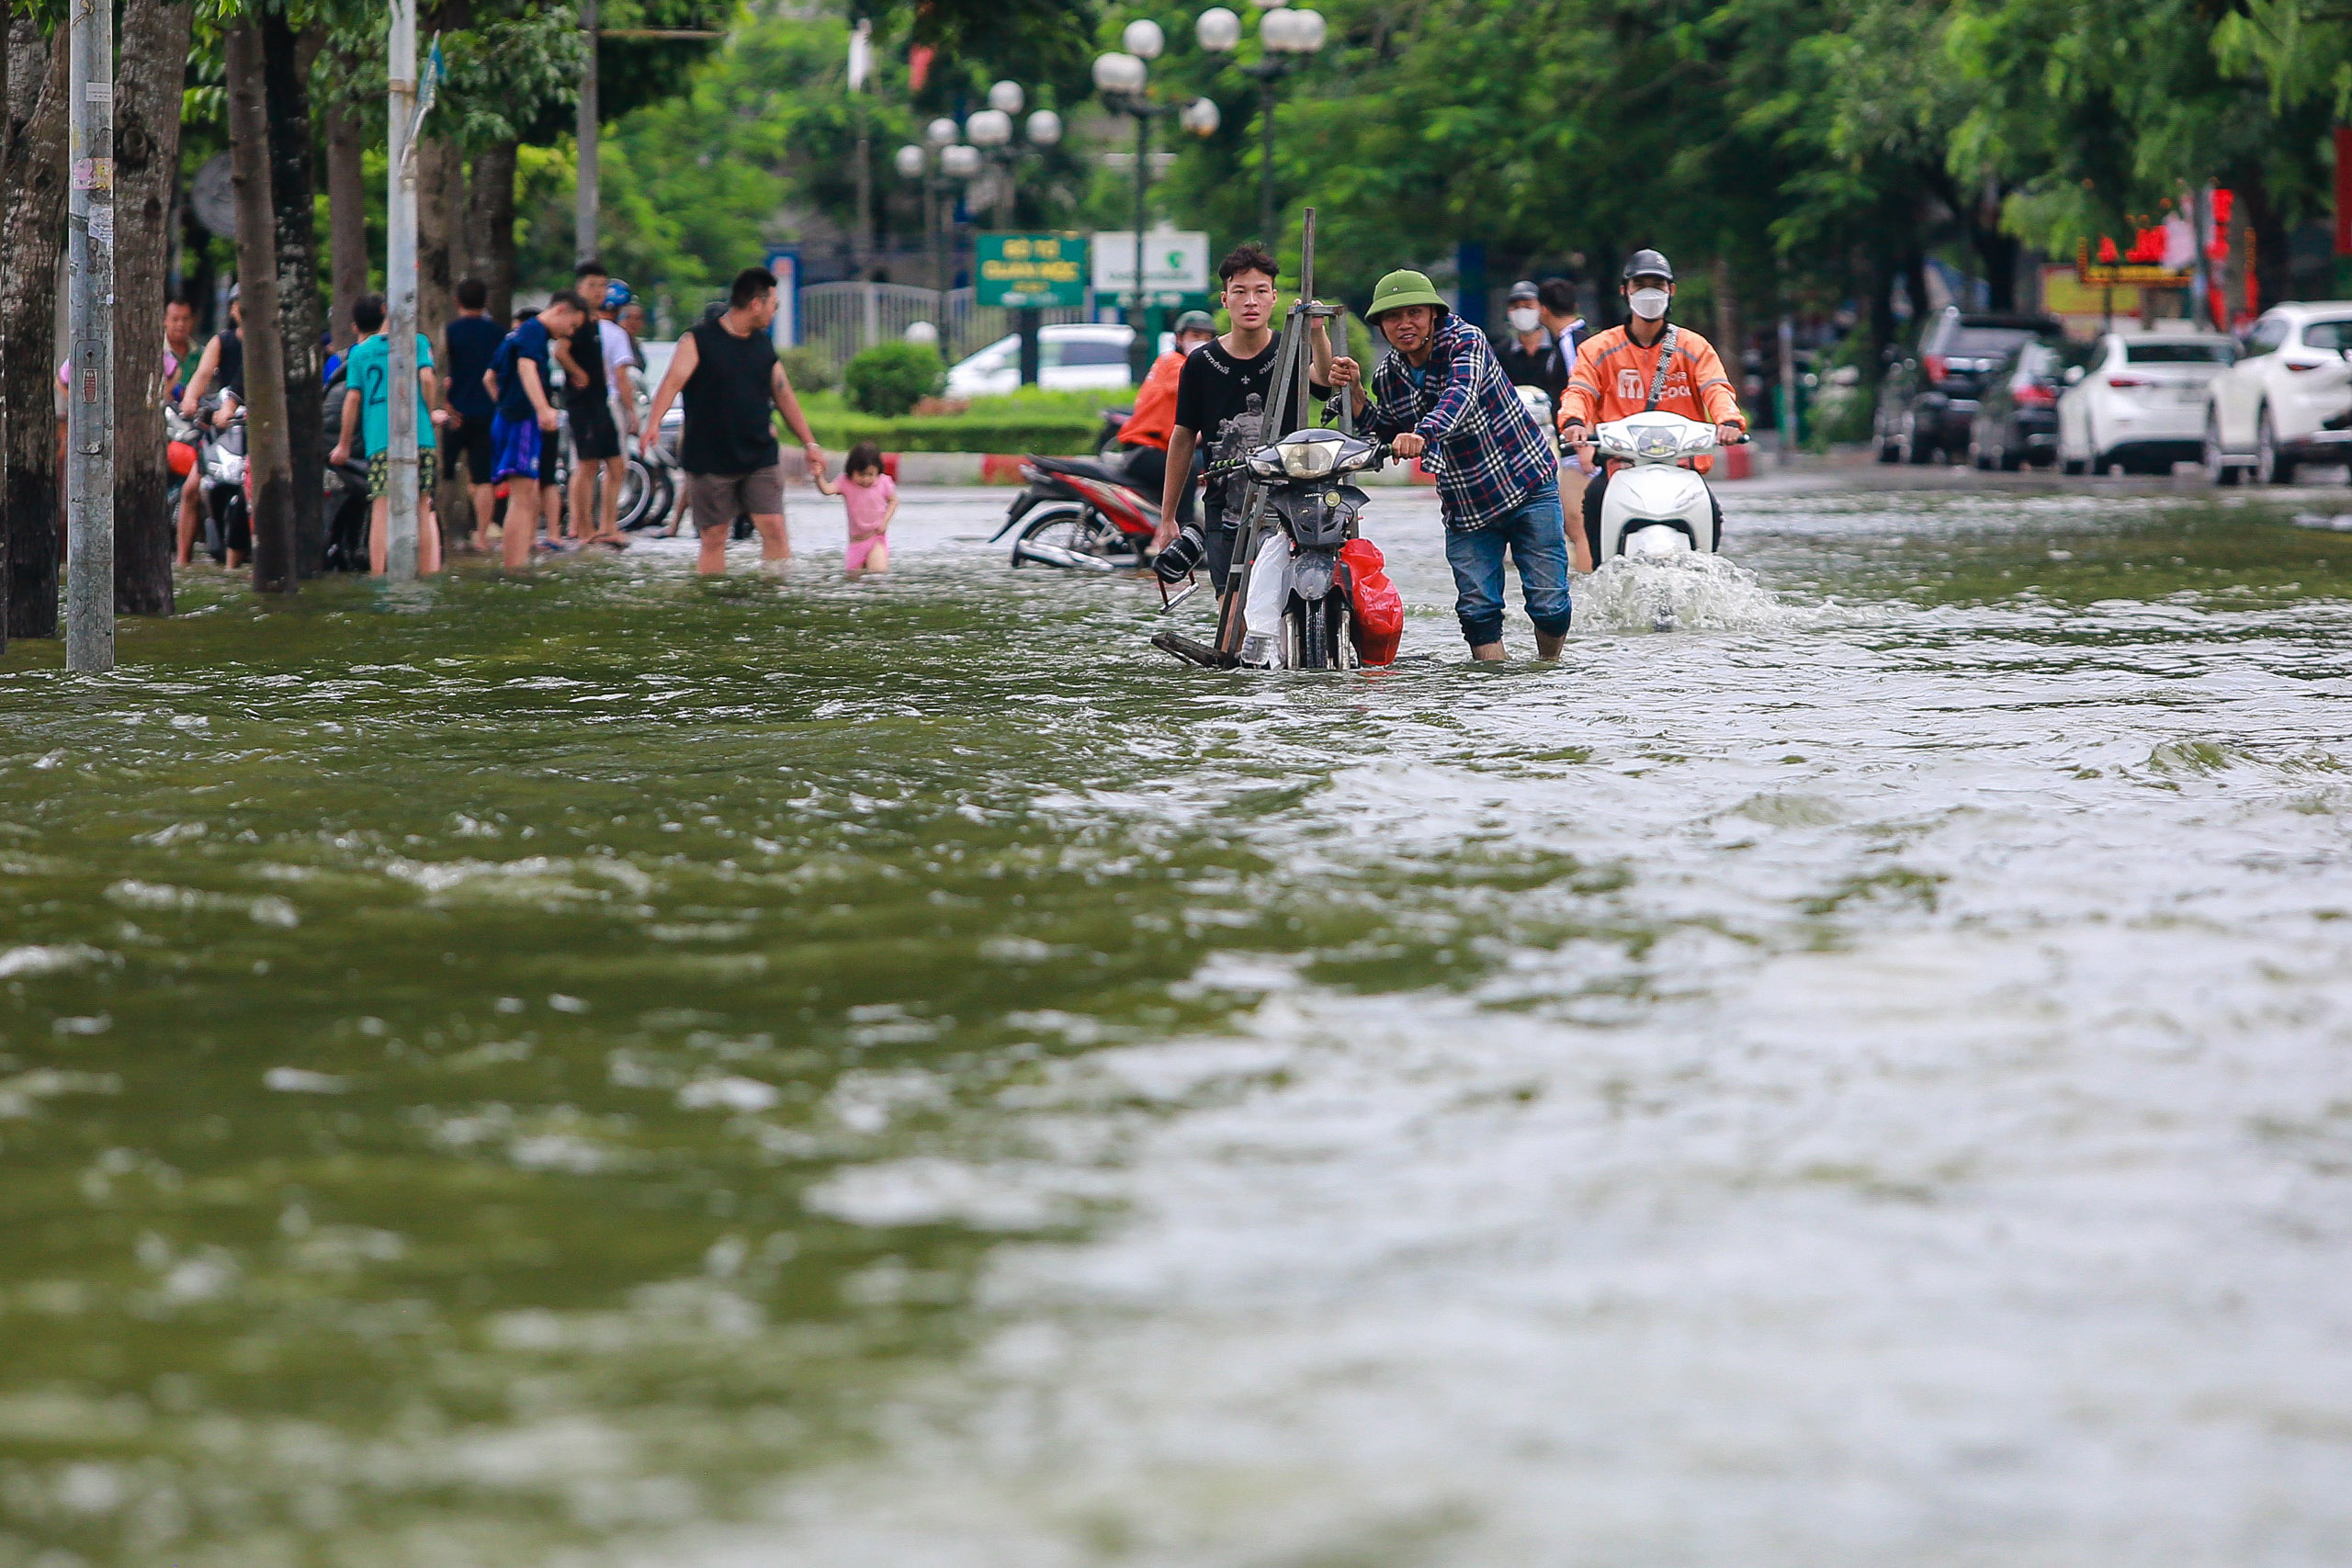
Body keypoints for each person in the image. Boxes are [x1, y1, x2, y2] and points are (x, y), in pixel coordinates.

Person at [1319, 268, 1570, 663]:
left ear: (1433, 314)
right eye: (1393, 317)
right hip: (1466, 504)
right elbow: (1385, 431)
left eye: (1414, 313)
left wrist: (1424, 434)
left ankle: (1547, 673)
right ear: (1381, 326)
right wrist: (1354, 395)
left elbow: (1460, 395)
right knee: (1477, 613)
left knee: (1549, 605)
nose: (1404, 325)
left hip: (1526, 486)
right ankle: (1497, 690)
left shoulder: (1466, 341)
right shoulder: (1389, 376)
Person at [1555, 249, 1746, 572]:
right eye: (1640, 284)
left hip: (1682, 468)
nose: (1649, 292)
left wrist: (1728, 420)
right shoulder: (1598, 349)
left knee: (1711, 511)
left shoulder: (1693, 347)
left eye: (1657, 284)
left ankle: (1709, 581)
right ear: (1625, 291)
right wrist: (1574, 422)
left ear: (1671, 290)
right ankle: (1601, 583)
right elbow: (1580, 391)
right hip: (1621, 467)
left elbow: (1716, 388)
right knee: (1595, 504)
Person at [642, 265, 829, 576]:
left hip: (759, 454)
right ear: (756, 303)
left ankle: (775, 595)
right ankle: (713, 599)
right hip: (709, 457)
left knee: (774, 526)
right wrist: (653, 424)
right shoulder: (698, 340)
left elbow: (784, 395)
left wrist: (809, 443)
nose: (774, 312)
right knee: (714, 537)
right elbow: (672, 383)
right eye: (774, 304)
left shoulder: (762, 344)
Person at [1151, 244, 1310, 597]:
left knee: (1295, 603)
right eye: (1240, 292)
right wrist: (1167, 519)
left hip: (1290, 506)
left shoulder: (1292, 352)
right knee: (1232, 610)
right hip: (1226, 509)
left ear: (1273, 298)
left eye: (1260, 291)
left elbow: (1325, 381)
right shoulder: (1201, 363)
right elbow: (1182, 436)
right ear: (1225, 299)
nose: (1250, 301)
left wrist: (1316, 332)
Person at [329, 292, 447, 576]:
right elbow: (428, 378)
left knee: (381, 504)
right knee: (423, 504)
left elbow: (352, 400)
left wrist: (344, 445)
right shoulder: (416, 342)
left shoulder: (360, 353)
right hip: (420, 436)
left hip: (381, 441)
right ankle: (430, 571)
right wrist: (427, 412)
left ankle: (379, 573)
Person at [487, 289, 588, 570]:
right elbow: (526, 367)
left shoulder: (516, 334)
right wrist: (542, 408)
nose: (570, 332)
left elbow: (489, 378)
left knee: (527, 497)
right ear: (560, 311)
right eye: (572, 325)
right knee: (523, 499)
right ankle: (514, 567)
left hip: (508, 418)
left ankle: (517, 562)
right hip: (522, 421)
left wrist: (504, 407)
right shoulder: (534, 332)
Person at [553, 258, 629, 551]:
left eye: (602, 285)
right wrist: (577, 373)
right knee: (585, 466)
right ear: (579, 288)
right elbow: (561, 351)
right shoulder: (577, 318)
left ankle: (608, 525)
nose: (598, 291)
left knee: (616, 463)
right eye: (591, 285)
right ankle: (582, 526)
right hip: (582, 402)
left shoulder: (598, 320)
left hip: (601, 400)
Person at [1119, 309, 1216, 525]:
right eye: (1195, 336)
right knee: (1186, 470)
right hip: (1145, 450)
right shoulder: (1177, 365)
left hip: (1147, 449)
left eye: (1207, 338)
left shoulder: (1168, 362)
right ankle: (1177, 530)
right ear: (1179, 338)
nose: (1201, 342)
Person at [176, 289, 245, 566]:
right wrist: (190, 401)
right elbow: (202, 376)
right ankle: (182, 561)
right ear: (231, 309)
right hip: (224, 429)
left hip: (257, 431)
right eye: (241, 305)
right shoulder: (223, 342)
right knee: (191, 488)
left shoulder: (269, 341)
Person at [444, 277, 505, 551]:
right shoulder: (498, 334)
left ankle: (442, 528)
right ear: (485, 302)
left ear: (457, 302)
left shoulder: (449, 332)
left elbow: (441, 371)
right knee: (482, 477)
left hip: (455, 411)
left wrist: (445, 404)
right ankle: (481, 535)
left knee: (444, 472)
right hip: (488, 412)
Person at [813, 440, 898, 575]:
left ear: (878, 470)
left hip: (875, 537)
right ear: (851, 470)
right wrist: (818, 477)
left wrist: (885, 521)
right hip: (856, 542)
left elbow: (894, 500)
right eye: (861, 474)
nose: (865, 479)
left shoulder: (883, 482)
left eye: (870, 475)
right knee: (853, 577)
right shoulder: (845, 483)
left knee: (878, 573)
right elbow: (827, 490)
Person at [1496, 279, 1572, 404]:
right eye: (1515, 307)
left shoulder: (1559, 347)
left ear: (1542, 308)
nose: (1521, 312)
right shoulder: (1500, 353)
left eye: (1528, 306)